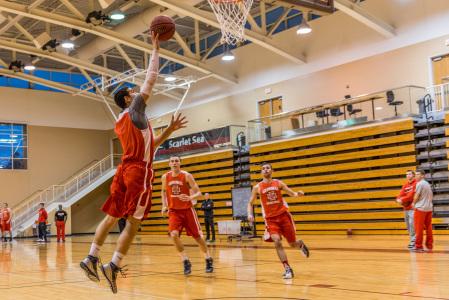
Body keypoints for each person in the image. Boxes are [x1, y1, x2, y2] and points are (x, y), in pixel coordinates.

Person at [79, 32, 187, 294]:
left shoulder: (122, 121)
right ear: (128, 99)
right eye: (132, 91)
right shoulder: (136, 109)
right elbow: (151, 78)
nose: (137, 92)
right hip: (139, 171)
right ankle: (113, 265)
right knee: (134, 222)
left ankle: (91, 257)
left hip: (125, 169)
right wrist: (155, 49)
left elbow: (151, 145)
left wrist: (169, 131)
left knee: (111, 216)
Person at [247, 163, 310, 279]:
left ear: (272, 170)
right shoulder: (257, 188)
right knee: (277, 241)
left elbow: (292, 193)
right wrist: (249, 214)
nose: (265, 170)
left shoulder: (278, 183)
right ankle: (287, 268)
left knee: (292, 243)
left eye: (267, 168)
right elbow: (250, 203)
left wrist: (298, 194)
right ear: (261, 172)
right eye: (263, 169)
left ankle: (300, 244)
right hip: (271, 220)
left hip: (283, 216)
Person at [161, 156, 213, 275]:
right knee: (173, 235)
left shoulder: (187, 176)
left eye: (176, 161)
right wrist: (164, 205)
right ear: (169, 164)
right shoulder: (165, 177)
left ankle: (208, 259)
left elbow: (199, 192)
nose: (174, 163)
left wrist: (190, 197)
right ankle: (185, 261)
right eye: (172, 161)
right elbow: (163, 192)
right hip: (174, 211)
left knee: (198, 237)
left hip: (188, 210)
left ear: (180, 163)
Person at [412, 169, 433, 252]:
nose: (416, 176)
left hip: (420, 209)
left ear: (423, 175)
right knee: (428, 228)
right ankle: (429, 245)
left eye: (418, 174)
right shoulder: (427, 184)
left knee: (418, 228)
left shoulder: (419, 184)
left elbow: (416, 195)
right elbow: (431, 196)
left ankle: (418, 246)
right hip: (429, 208)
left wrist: (413, 203)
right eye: (416, 174)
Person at [396, 170, 416, 249]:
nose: (408, 175)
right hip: (406, 208)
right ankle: (412, 240)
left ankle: (413, 241)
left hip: (413, 208)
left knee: (412, 224)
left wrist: (402, 200)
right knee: (408, 225)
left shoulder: (416, 184)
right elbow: (400, 194)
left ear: (413, 175)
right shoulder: (405, 185)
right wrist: (398, 199)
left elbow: (411, 196)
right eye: (406, 174)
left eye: (409, 174)